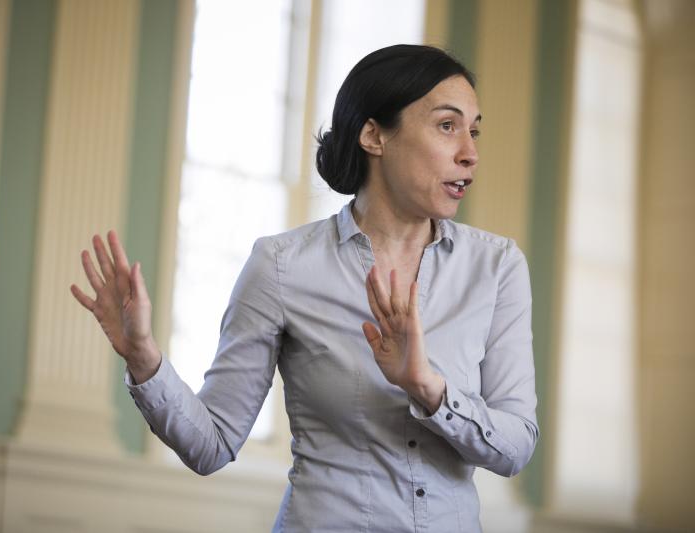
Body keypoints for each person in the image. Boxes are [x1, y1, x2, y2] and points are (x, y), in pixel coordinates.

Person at [71, 44, 538, 533]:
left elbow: (515, 447)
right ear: (374, 135)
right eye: (448, 126)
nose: (471, 152)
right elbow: (211, 444)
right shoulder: (281, 266)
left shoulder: (498, 266)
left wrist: (427, 386)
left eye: (474, 130)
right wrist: (145, 360)